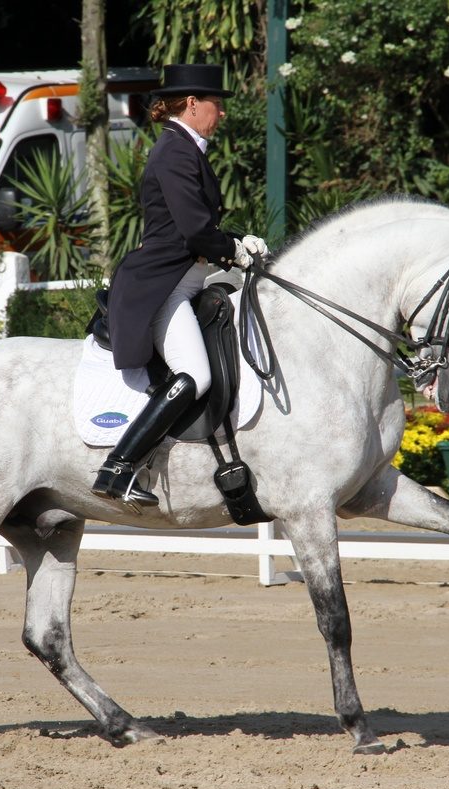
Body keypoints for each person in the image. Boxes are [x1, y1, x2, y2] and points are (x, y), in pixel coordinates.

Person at [91, 63, 268, 507]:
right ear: (192, 104)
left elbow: (195, 224)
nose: (221, 113)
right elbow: (193, 230)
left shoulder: (186, 149)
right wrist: (233, 250)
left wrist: (236, 239)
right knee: (196, 374)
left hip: (187, 278)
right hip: (163, 286)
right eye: (217, 104)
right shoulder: (175, 152)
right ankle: (119, 467)